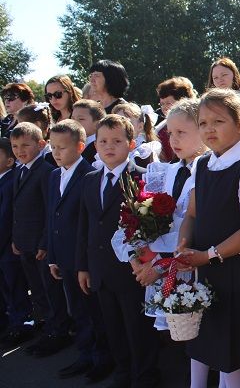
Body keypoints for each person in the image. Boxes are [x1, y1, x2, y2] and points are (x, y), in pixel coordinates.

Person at [176, 89, 240, 388]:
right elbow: (192, 213)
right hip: (211, 272)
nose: (209, 129)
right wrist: (183, 242)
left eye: (218, 121)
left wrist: (208, 255)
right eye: (203, 123)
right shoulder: (202, 165)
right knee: (222, 351)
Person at [76, 114, 160, 388]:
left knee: (137, 326)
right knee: (112, 325)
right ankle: (123, 371)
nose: (109, 146)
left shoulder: (141, 178)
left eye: (116, 141)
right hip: (99, 267)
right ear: (95, 145)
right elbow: (85, 224)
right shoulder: (89, 179)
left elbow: (150, 226)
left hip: (129, 270)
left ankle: (145, 375)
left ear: (131, 144)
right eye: (102, 141)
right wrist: (83, 266)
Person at [113, 99, 206, 332]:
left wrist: (160, 266)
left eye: (182, 132)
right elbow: (145, 217)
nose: (173, 140)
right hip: (160, 264)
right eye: (171, 133)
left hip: (191, 264)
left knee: (199, 328)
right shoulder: (166, 170)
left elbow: (194, 223)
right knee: (175, 332)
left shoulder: (206, 171)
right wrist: (138, 257)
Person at [45, 120, 112, 381]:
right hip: (62, 255)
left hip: (83, 256)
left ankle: (101, 358)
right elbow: (52, 216)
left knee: (94, 311)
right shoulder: (53, 175)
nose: (56, 152)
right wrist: (52, 256)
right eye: (52, 147)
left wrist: (84, 261)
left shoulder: (88, 175)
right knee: (78, 311)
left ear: (81, 147)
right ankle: (84, 355)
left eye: (62, 147)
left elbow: (88, 223)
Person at [10, 122, 72, 356]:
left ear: (41, 144)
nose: (20, 150)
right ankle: (47, 328)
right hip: (24, 243)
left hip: (40, 245)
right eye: (15, 146)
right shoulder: (20, 169)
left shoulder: (46, 172)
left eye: (26, 145)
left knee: (50, 290)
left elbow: (50, 210)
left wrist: (44, 242)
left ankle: (58, 331)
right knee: (37, 290)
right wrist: (16, 238)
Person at [0, 138, 32, 348]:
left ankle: (20, 324)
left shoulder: (10, 182)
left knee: (14, 286)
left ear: (10, 161)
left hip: (7, 244)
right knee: (4, 287)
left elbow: (5, 217)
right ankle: (8, 322)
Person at [155, 76, 196, 163]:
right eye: (162, 104)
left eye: (168, 103)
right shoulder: (160, 130)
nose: (165, 107)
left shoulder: (197, 123)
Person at [112, 102, 161, 168]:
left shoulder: (144, 152)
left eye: (126, 123)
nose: (119, 127)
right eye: (115, 123)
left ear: (140, 127)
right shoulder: (108, 148)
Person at [71, 99, 105, 164]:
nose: (74, 123)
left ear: (97, 123)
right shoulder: (70, 143)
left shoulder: (100, 148)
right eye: (72, 119)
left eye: (81, 119)